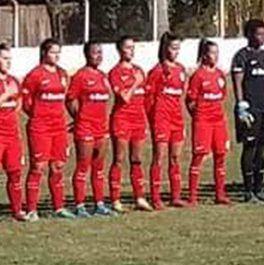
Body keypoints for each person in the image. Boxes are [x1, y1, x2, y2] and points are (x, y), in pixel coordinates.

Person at [22, 38, 75, 220]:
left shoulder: (63, 74)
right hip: (40, 127)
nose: (56, 55)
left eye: (58, 52)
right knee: (38, 167)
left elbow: (67, 98)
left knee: (58, 166)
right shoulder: (35, 75)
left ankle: (58, 207)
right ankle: (31, 210)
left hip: (59, 126)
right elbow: (26, 103)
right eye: (53, 52)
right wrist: (38, 116)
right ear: (44, 53)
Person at [231, 19, 264, 203]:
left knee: (262, 149)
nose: (262, 37)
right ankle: (247, 190)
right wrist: (241, 103)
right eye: (259, 34)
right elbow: (237, 81)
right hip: (250, 108)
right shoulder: (241, 56)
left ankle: (259, 188)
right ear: (250, 34)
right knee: (250, 147)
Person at [66, 41, 114, 217]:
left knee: (99, 168)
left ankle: (99, 204)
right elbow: (70, 99)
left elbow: (108, 98)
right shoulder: (80, 76)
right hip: (85, 127)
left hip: (101, 128)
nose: (99, 55)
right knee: (82, 166)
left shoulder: (103, 76)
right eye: (95, 52)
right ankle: (79, 205)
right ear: (87, 54)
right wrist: (78, 117)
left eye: (101, 52)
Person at [108, 36, 153, 213]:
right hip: (122, 119)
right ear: (119, 50)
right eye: (127, 47)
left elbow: (145, 97)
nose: (131, 50)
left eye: (133, 47)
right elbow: (124, 97)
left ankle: (139, 197)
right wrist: (135, 81)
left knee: (137, 159)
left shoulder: (139, 70)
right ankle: (115, 199)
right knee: (119, 159)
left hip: (138, 120)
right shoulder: (115, 72)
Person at [186, 39, 231, 205]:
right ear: (204, 55)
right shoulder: (198, 76)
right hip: (203, 122)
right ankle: (192, 196)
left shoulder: (220, 75)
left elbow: (222, 96)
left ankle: (220, 194)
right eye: (212, 53)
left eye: (217, 53)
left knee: (220, 156)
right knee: (198, 156)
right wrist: (199, 116)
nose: (215, 56)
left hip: (218, 121)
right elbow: (190, 101)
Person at [146, 32, 187, 210]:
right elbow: (148, 100)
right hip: (161, 119)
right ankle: (155, 198)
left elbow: (180, 97)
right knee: (159, 157)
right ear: (164, 49)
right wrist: (153, 120)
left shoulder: (181, 70)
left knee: (175, 158)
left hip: (177, 119)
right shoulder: (156, 72)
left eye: (178, 48)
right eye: (172, 48)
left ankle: (175, 196)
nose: (175, 52)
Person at [0, 44, 26, 221]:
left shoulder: (14, 81)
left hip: (11, 135)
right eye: (4, 58)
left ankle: (17, 210)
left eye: (9, 59)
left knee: (15, 173)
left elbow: (18, 105)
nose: (8, 62)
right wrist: (4, 96)